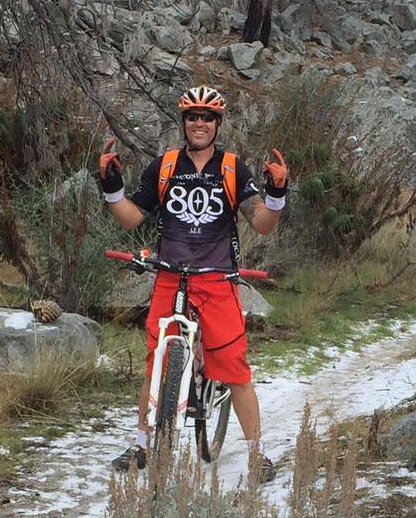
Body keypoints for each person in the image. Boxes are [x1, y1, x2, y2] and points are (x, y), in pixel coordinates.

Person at [97, 85, 288, 478]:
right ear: (184, 122)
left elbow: (262, 225)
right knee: (155, 365)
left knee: (234, 369)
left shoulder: (234, 169)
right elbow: (133, 217)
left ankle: (257, 455)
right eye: (192, 116)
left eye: (207, 117)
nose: (199, 123)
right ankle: (142, 447)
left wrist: (276, 194)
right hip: (171, 275)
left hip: (217, 279)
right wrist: (112, 186)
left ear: (217, 123)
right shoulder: (164, 165)